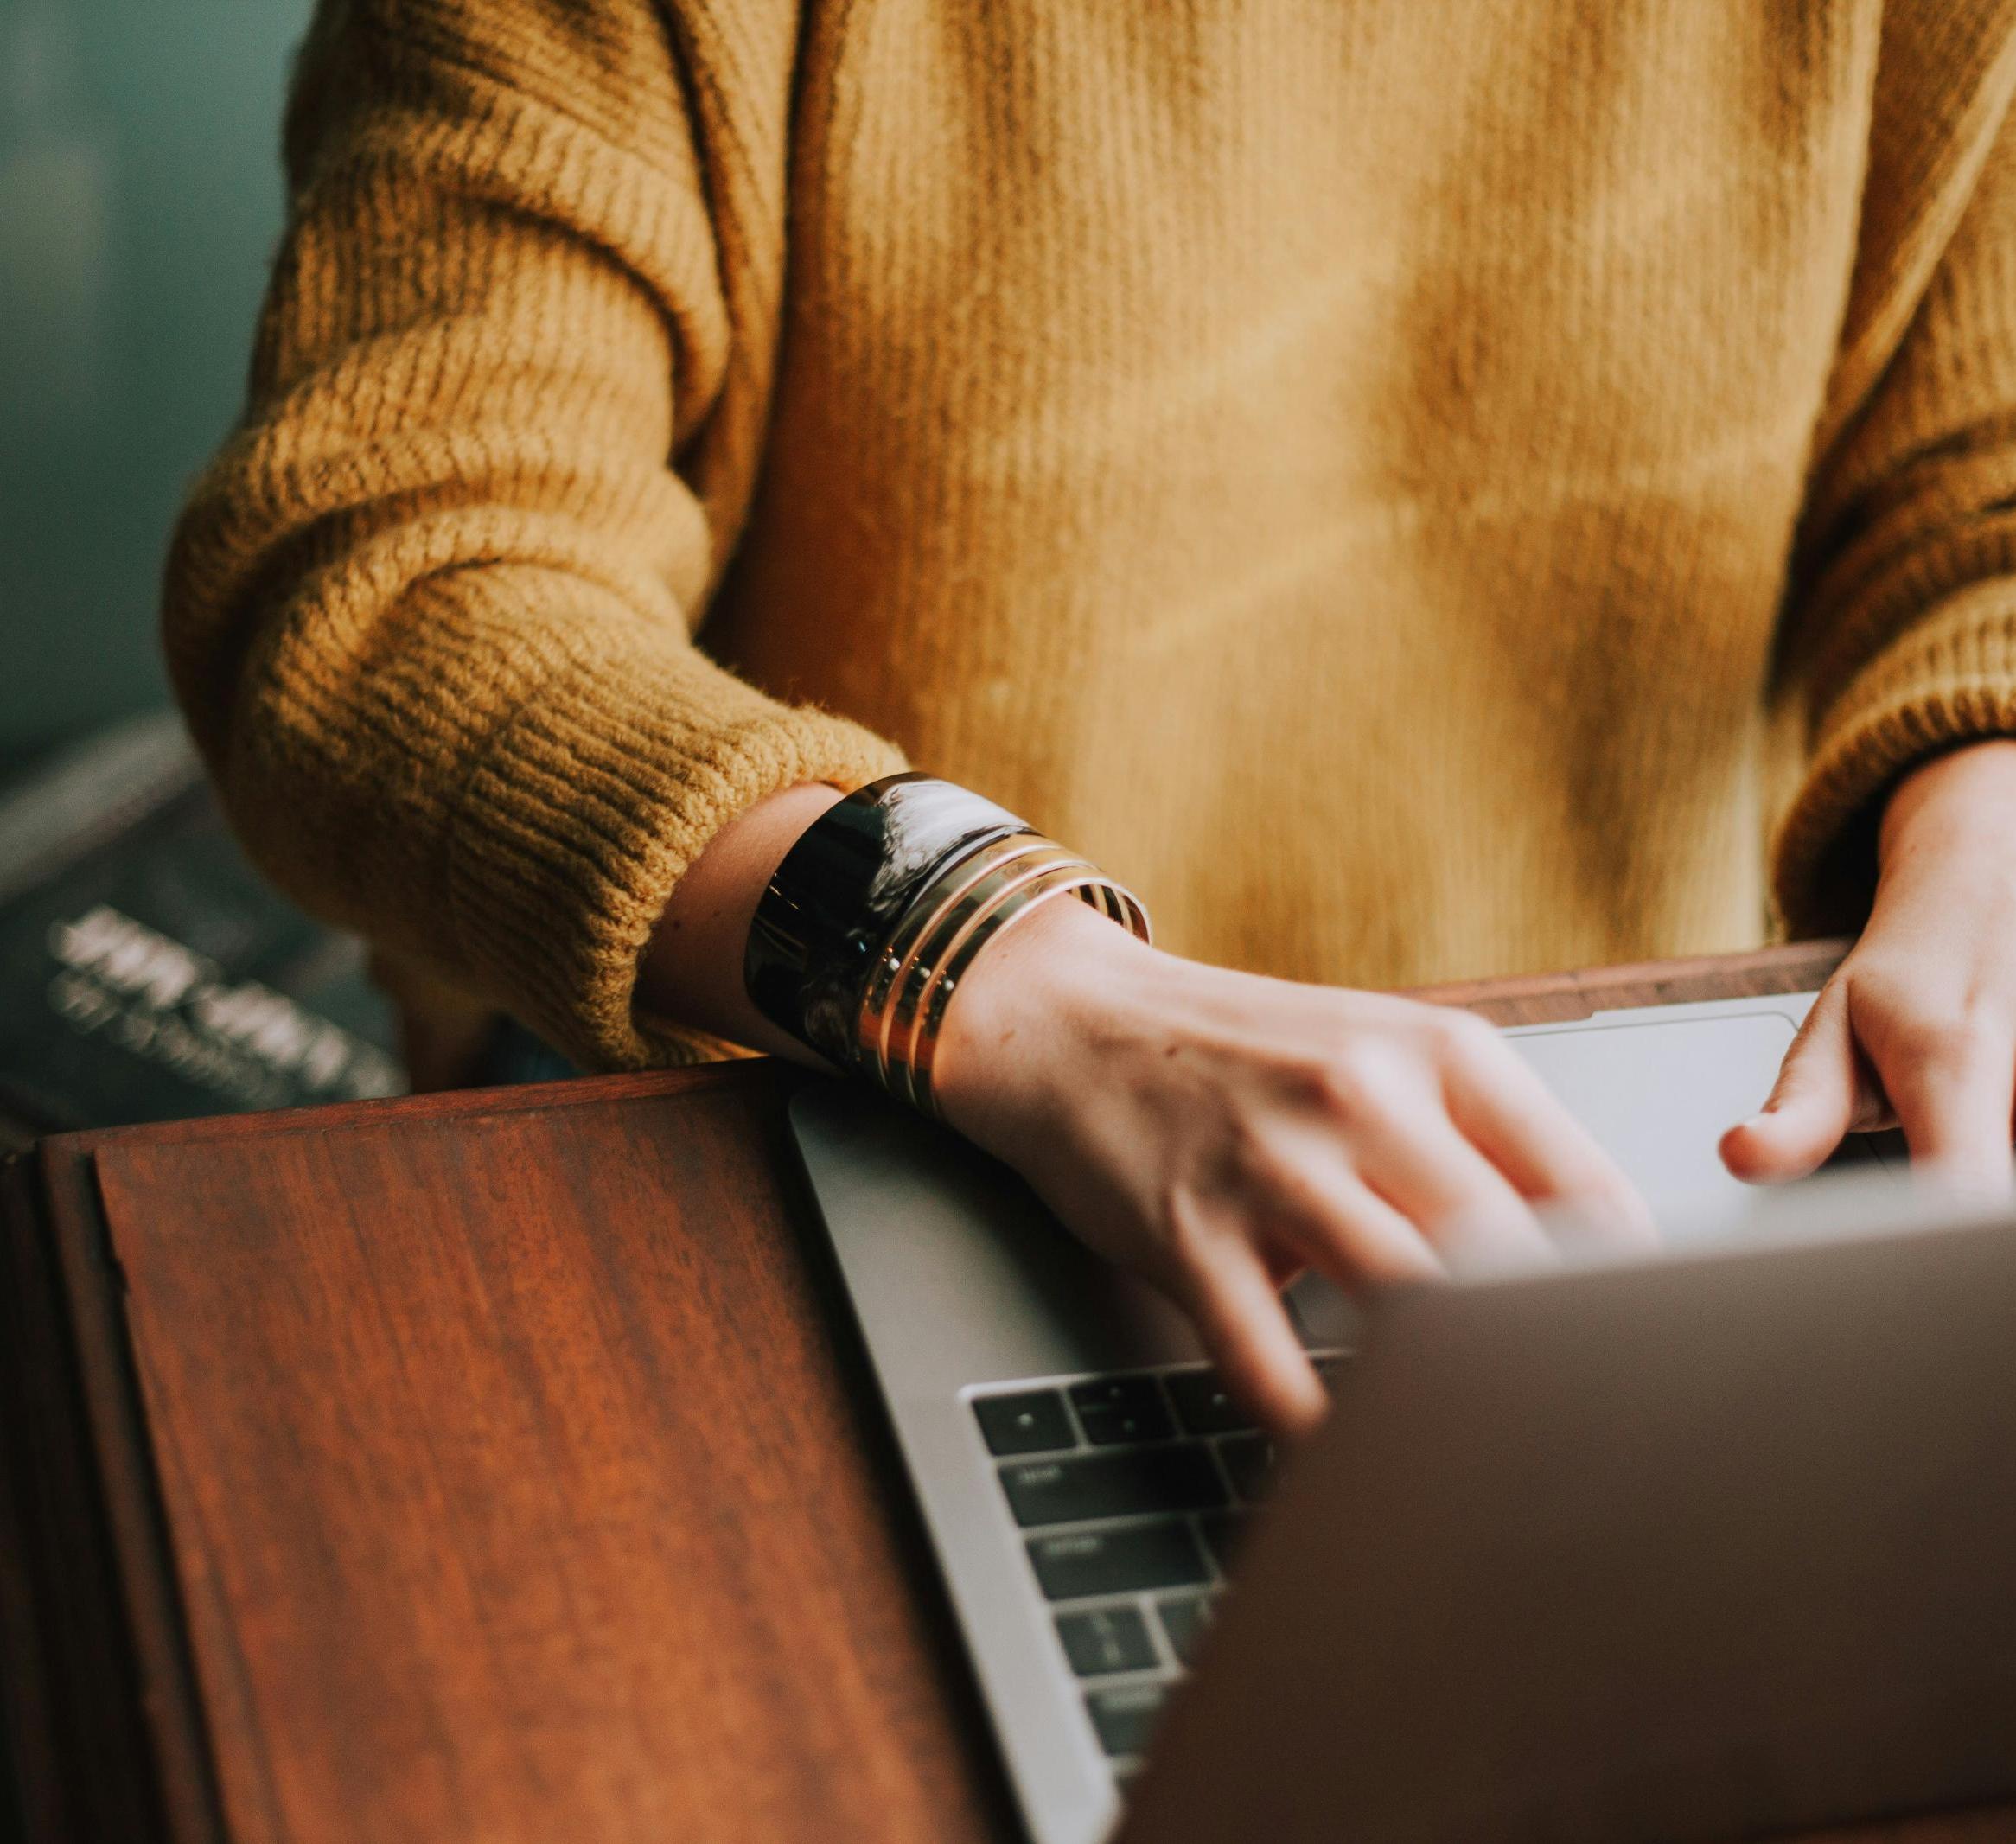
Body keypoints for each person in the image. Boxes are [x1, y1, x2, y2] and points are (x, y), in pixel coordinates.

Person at [164, 0, 2016, 1434]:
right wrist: (1013, 980)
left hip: (1639, 1153)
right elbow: (388, 580)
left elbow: (1981, 495)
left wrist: (1986, 805)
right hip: (831, 1120)